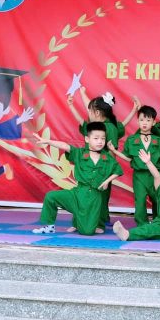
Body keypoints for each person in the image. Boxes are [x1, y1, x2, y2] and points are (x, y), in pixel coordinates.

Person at [33, 122, 122, 236]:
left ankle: (83, 223)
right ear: (87, 139)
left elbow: (118, 170)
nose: (100, 141)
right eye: (96, 138)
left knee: (87, 232)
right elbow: (65, 146)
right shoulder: (79, 153)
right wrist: (47, 141)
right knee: (51, 196)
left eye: (103, 138)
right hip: (78, 193)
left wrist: (107, 181)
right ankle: (49, 227)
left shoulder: (107, 158)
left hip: (94, 197)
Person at [68, 90, 128, 228]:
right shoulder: (96, 127)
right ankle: (88, 219)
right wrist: (75, 101)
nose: (88, 113)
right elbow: (83, 122)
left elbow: (112, 151)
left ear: (97, 112)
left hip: (102, 168)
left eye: (90, 111)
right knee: (87, 195)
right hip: (90, 167)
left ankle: (100, 221)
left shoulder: (109, 128)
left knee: (101, 196)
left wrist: (108, 172)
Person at [121, 105, 160, 225]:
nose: (144, 123)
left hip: (155, 175)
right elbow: (127, 157)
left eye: (148, 120)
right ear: (138, 121)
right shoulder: (131, 140)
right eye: (141, 120)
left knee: (157, 199)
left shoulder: (158, 140)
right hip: (139, 176)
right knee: (140, 200)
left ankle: (159, 223)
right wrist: (114, 151)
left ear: (154, 122)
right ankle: (142, 225)